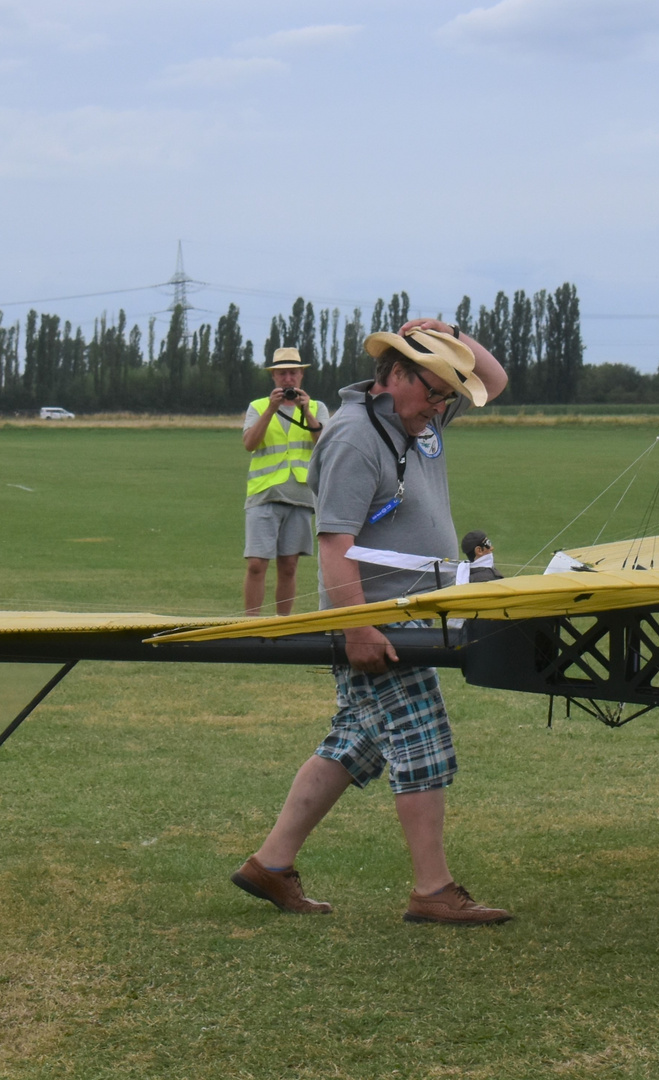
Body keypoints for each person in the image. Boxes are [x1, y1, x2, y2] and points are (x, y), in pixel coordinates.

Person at [231, 319, 511, 924]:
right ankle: (432, 891)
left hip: (410, 618)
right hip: (379, 623)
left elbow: (494, 380)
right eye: (434, 392)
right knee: (422, 745)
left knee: (354, 744)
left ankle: (270, 865)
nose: (441, 407)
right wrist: (358, 628)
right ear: (394, 376)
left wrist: (450, 332)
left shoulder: (421, 416)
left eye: (446, 396)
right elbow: (335, 543)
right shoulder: (354, 437)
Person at [240, 348, 326, 616]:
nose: (288, 379)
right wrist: (272, 409)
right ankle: (251, 623)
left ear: (301, 375)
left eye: (293, 373)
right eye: (282, 373)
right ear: (274, 377)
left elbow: (325, 445)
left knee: (289, 565)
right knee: (256, 563)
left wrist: (305, 412)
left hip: (300, 495)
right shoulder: (257, 406)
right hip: (264, 493)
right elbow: (250, 443)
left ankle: (282, 622)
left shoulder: (317, 407)